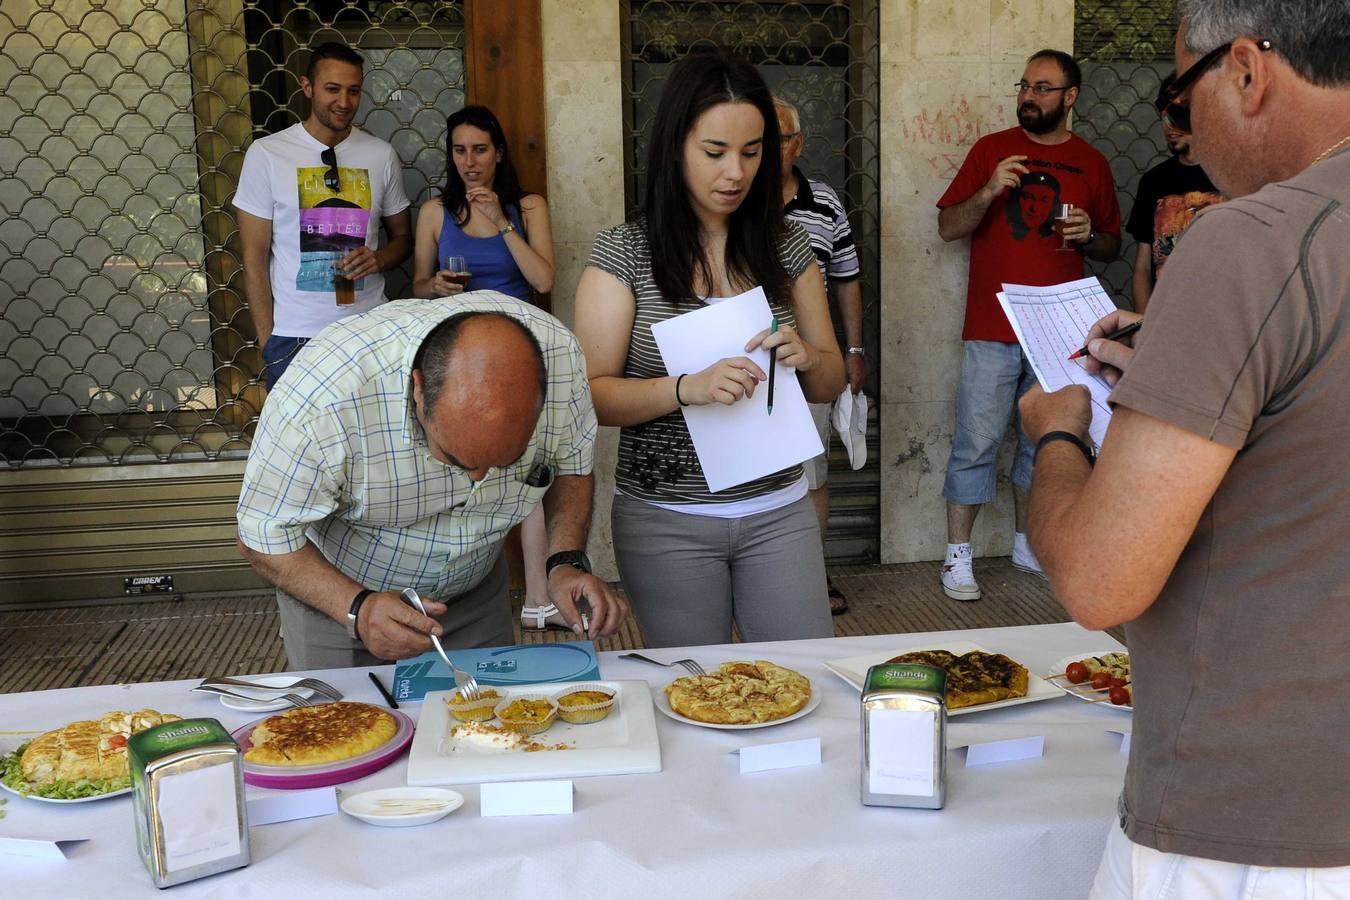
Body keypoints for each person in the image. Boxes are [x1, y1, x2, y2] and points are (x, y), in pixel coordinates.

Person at [1017, 2, 1350, 894]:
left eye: (1179, 90)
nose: (1186, 133)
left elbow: (1099, 578)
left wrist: (1057, 436)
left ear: (1248, 69)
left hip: (1249, 823)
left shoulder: (1250, 243)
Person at [574, 51, 845, 648]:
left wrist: (807, 356)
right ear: (676, 147)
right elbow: (591, 393)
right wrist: (685, 389)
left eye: (752, 154)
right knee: (695, 690)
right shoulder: (624, 254)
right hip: (665, 519)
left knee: (804, 677)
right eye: (715, 152)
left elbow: (831, 379)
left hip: (780, 509)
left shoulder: (786, 245)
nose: (735, 173)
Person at [235, 295, 628, 669]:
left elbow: (572, 466)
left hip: (476, 598)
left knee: (489, 731)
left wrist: (565, 562)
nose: (479, 480)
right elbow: (263, 532)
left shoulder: (560, 361)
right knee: (348, 732)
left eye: (506, 462)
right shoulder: (322, 400)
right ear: (418, 389)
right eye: (457, 459)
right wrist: (357, 608)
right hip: (342, 601)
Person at [934, 48, 1120, 601]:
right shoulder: (991, 150)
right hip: (992, 324)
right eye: (1024, 86)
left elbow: (1111, 246)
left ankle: (1027, 543)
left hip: (1061, 330)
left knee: (1047, 441)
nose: (1029, 97)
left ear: (1070, 97)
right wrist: (989, 190)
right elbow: (947, 226)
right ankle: (957, 558)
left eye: (1042, 88)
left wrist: (1090, 236)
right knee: (977, 439)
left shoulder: (1092, 162)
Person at [411, 105, 558, 634]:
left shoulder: (529, 206)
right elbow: (418, 286)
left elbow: (543, 279)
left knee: (528, 470)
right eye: (459, 150)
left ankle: (539, 598)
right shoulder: (435, 212)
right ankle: (442, 594)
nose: (469, 161)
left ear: (498, 153)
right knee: (454, 468)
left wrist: (502, 223)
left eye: (480, 149)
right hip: (457, 355)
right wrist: (435, 288)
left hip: (519, 350)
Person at [234, 42, 412, 389]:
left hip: (368, 331)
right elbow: (253, 255)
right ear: (307, 87)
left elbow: (404, 240)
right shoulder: (268, 154)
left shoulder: (380, 155)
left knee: (370, 442)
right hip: (294, 338)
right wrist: (267, 338)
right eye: (332, 89)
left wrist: (377, 259)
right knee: (296, 443)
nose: (344, 102)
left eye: (353, 91)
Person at [774, 96, 865, 616]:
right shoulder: (731, 198)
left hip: (810, 361)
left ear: (798, 144)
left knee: (812, 476)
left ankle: (813, 574)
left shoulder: (825, 202)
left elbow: (848, 281)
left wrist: (853, 351)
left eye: (776, 139)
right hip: (746, 362)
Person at [1125, 72, 1223, 313]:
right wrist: (1142, 326)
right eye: (1164, 115)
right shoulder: (1154, 181)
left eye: (1178, 114)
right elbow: (1143, 267)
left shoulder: (1231, 176)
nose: (1168, 127)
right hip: (1165, 318)